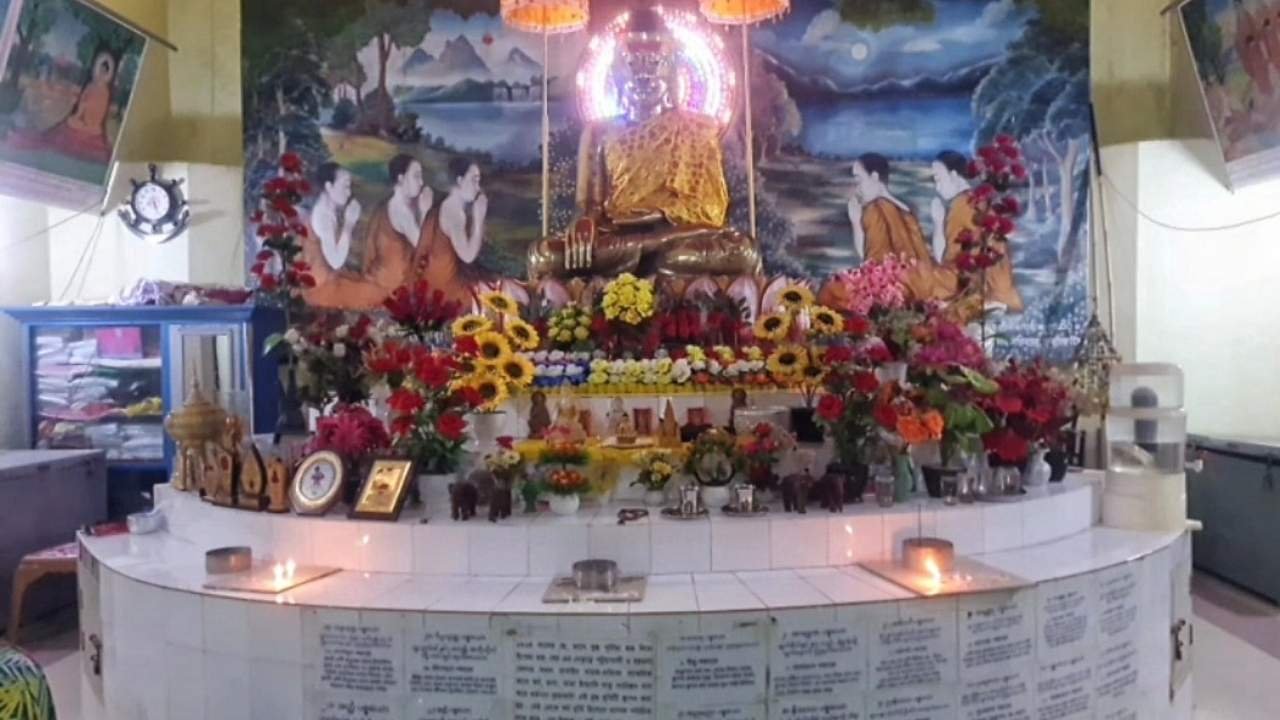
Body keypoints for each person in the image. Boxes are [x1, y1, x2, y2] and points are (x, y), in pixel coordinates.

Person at [526, 7, 760, 280]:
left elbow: (711, 211)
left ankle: (653, 255)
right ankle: (654, 258)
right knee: (543, 255)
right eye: (633, 64)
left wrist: (658, 220)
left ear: (671, 71)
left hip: (681, 237)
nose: (643, 75)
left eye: (653, 63)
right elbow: (589, 206)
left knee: (743, 250)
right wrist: (584, 223)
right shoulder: (599, 131)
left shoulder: (699, 129)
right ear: (617, 72)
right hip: (618, 236)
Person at [930, 150, 1023, 312]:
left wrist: (937, 222)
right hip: (1002, 288)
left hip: (980, 289)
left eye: (938, 179)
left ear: (953, 175)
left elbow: (946, 261)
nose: (937, 187)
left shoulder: (960, 205)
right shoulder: (979, 200)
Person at [847, 153, 947, 301]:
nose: (857, 188)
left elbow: (870, 260)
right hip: (922, 283)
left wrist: (855, 222)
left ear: (874, 177)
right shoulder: (905, 209)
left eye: (859, 180)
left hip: (896, 288)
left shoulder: (875, 209)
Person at [300, 163, 388, 308]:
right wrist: (349, 223)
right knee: (377, 294)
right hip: (322, 287)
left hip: (329, 278)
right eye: (345, 186)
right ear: (329, 186)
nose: (348, 192)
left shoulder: (328, 208)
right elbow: (335, 262)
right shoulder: (323, 216)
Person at [415, 156, 487, 305]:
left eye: (478, 181)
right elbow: (468, 257)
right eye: (474, 180)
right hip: (446, 288)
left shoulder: (447, 204)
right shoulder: (454, 212)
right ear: (460, 180)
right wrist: (479, 220)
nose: (478, 187)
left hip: (435, 281)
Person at [362, 154, 434, 293]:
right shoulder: (400, 210)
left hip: (384, 279)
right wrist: (425, 212)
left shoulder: (390, 204)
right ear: (401, 179)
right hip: (390, 287)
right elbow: (424, 252)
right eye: (416, 176)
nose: (421, 182)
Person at [43, 51, 116, 163]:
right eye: (100, 70)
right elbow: (82, 99)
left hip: (92, 122)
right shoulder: (91, 85)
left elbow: (100, 108)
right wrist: (82, 107)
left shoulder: (105, 91)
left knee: (80, 124)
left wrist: (88, 108)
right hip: (81, 116)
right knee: (71, 122)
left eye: (103, 72)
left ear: (106, 73)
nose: (100, 74)